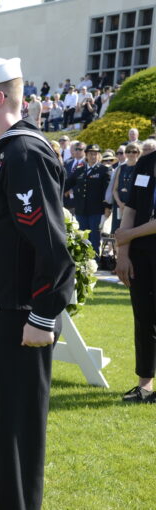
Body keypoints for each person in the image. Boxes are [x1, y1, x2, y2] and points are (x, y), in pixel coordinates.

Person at [0, 57, 75, 509]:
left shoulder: (24, 152)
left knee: (15, 443)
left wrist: (43, 316)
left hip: (18, 321)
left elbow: (49, 245)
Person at [114, 145, 156, 403]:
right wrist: (123, 254)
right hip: (140, 255)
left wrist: (127, 235)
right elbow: (130, 209)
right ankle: (145, 385)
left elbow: (128, 228)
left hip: (138, 239)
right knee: (143, 318)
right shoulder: (146, 163)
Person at [65, 144, 110, 256]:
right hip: (81, 209)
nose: (93, 156)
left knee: (94, 237)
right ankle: (84, 260)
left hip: (96, 210)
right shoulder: (80, 170)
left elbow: (106, 192)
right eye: (91, 154)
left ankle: (94, 260)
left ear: (98, 155)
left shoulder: (104, 170)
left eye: (95, 154)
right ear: (86, 155)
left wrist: (107, 208)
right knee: (82, 237)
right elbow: (67, 184)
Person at [110, 143, 140, 234]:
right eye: (128, 151)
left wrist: (128, 205)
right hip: (119, 205)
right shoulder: (121, 168)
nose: (131, 154)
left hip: (133, 206)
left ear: (138, 153)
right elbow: (114, 189)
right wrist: (120, 203)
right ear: (125, 153)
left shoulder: (140, 168)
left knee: (130, 231)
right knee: (117, 231)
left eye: (134, 151)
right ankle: (115, 249)